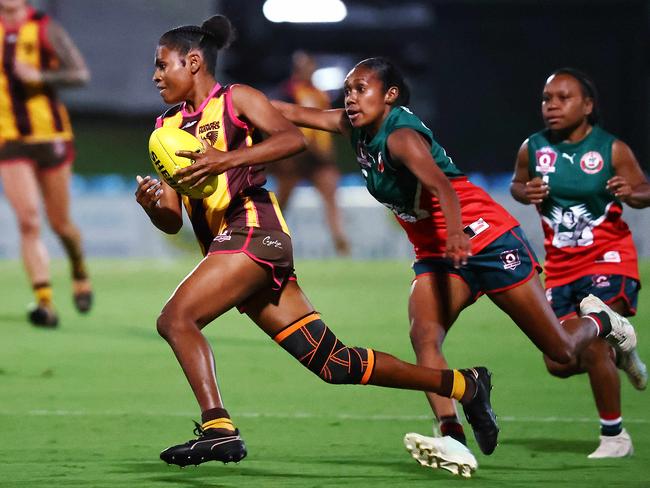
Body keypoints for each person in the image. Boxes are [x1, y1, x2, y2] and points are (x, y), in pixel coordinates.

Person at [136, 14, 499, 472]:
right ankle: (465, 385)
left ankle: (217, 427)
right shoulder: (164, 129)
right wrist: (153, 204)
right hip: (231, 249)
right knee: (334, 363)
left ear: (192, 62)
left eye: (161, 65)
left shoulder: (236, 100)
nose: (155, 76)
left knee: (176, 318)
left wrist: (226, 158)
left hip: (254, 232)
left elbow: (292, 140)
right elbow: (172, 220)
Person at [272, 57, 644, 476]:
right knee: (424, 334)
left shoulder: (402, 137)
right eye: (349, 89)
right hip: (438, 253)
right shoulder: (352, 126)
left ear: (390, 95)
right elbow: (291, 111)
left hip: (483, 239)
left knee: (559, 350)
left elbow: (442, 187)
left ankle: (601, 322)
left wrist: (453, 234)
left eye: (362, 88)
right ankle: (451, 436)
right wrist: (230, 101)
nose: (351, 97)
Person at [511, 68, 649, 458]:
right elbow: (516, 185)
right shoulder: (533, 148)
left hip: (609, 259)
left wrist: (631, 192)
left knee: (590, 346)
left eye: (562, 97)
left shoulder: (611, 149)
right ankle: (623, 350)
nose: (551, 105)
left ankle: (615, 437)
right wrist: (527, 191)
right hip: (561, 268)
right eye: (546, 98)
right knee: (558, 359)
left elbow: (643, 191)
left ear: (588, 106)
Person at [0, 0, 92, 327]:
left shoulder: (44, 28)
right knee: (28, 220)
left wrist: (39, 76)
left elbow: (80, 73)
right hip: (8, 140)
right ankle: (44, 302)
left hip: (50, 136)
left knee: (60, 223)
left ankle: (78, 267)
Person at [269, 51, 350, 255]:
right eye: (305, 66)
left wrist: (328, 152)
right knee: (284, 198)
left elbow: (326, 125)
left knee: (331, 192)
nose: (309, 70)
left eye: (311, 66)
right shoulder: (287, 91)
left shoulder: (320, 94)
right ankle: (269, 237)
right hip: (295, 154)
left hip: (318, 156)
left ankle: (340, 241)